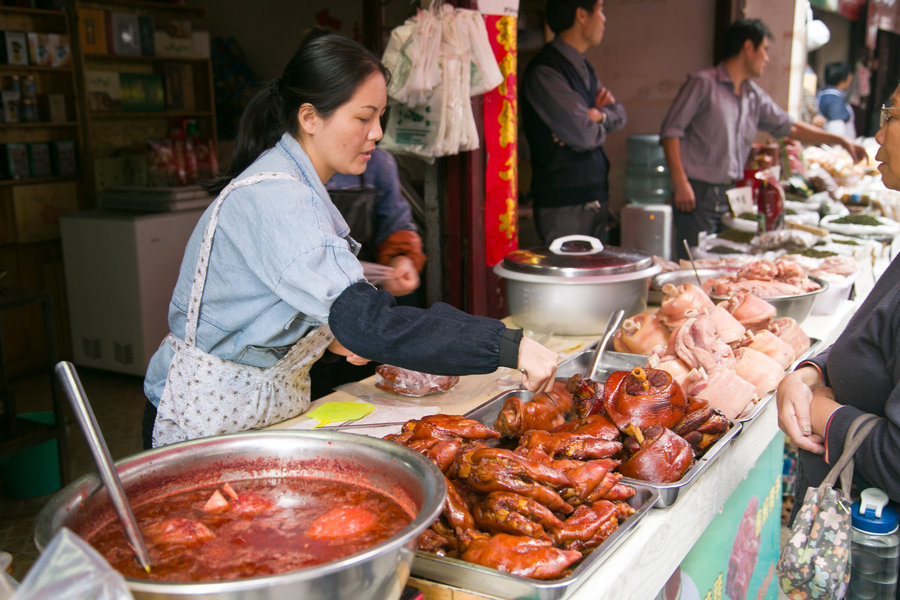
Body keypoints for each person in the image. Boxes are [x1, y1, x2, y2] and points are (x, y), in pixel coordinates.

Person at [142, 30, 559, 448]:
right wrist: (507, 345)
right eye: (363, 118)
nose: (376, 133)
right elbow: (369, 324)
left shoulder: (296, 185)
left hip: (252, 414)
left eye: (380, 117)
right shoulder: (278, 197)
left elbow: (269, 310)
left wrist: (330, 337)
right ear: (309, 118)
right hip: (203, 421)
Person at [776, 81, 900, 521]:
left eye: (891, 116)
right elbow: (878, 338)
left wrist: (823, 413)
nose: (878, 134)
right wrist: (813, 372)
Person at [659, 18, 867, 261]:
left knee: (722, 265)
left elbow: (789, 127)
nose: (767, 58)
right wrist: (680, 181)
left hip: (731, 195)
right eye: (765, 50)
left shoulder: (752, 95)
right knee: (694, 264)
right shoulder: (703, 84)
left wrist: (840, 140)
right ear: (748, 47)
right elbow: (671, 132)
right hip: (697, 195)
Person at [521, 0, 626, 244]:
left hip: (593, 195)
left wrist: (599, 115)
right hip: (564, 203)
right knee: (570, 268)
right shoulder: (546, 71)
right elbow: (584, 135)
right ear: (581, 15)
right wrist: (592, 123)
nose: (604, 19)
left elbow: (620, 114)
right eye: (600, 9)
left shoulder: (583, 67)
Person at [325, 146, 424, 300]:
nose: (376, 134)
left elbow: (396, 229)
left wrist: (400, 260)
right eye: (362, 121)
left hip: (360, 294)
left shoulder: (379, 163)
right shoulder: (287, 171)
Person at [816, 61, 856, 139]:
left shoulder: (825, 94)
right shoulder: (833, 99)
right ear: (845, 78)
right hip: (837, 144)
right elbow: (836, 130)